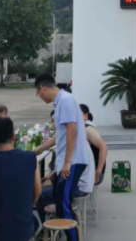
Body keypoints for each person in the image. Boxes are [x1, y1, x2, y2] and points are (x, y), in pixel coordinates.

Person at [35, 73, 91, 241]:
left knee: (64, 203)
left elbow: (72, 130)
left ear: (42, 89)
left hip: (72, 161)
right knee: (60, 202)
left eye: (37, 93)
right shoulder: (60, 102)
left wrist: (67, 162)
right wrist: (40, 149)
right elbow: (61, 134)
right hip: (67, 161)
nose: (39, 97)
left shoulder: (65, 100)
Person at [80, 104, 108, 186]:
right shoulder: (83, 127)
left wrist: (98, 171)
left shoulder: (88, 129)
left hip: (93, 173)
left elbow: (104, 148)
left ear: (86, 114)